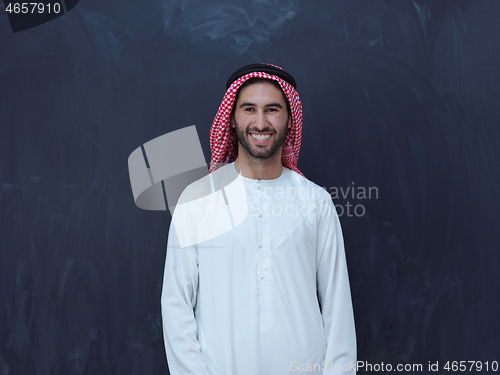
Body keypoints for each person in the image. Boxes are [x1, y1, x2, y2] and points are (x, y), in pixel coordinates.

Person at [161, 63, 357, 374]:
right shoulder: (198, 199)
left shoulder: (316, 201)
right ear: (232, 117)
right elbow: (176, 306)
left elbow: (338, 308)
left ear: (289, 118)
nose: (261, 122)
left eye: (273, 109)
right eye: (249, 109)